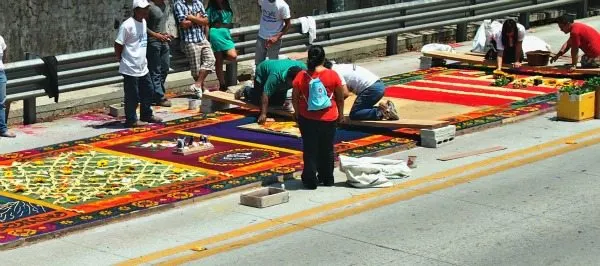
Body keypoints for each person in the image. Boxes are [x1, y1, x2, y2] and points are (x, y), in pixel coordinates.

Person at [291, 45, 344, 189]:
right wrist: (341, 114)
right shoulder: (332, 75)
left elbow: (294, 97)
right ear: (324, 58)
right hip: (329, 118)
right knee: (327, 148)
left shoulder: (301, 76)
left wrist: (296, 112)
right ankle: (327, 178)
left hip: (307, 118)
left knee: (310, 148)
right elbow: (340, 97)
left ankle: (310, 180)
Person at [114, 0, 162, 128]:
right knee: (132, 95)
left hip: (142, 66)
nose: (145, 11)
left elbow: (144, 33)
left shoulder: (143, 22)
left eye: (146, 8)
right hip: (130, 66)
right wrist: (120, 58)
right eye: (142, 9)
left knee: (148, 91)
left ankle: (146, 114)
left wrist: (158, 35)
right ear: (135, 10)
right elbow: (118, 43)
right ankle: (131, 119)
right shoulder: (127, 25)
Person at [236, 59, 306, 124]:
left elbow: (296, 95)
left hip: (277, 74)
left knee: (278, 103)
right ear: (288, 79)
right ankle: (246, 90)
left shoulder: (303, 69)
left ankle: (275, 95)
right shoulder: (275, 77)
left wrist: (297, 113)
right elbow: (265, 94)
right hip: (262, 73)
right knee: (259, 101)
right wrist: (263, 114)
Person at [327, 62, 399, 121]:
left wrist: (334, 109)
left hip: (372, 89)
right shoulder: (339, 66)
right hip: (377, 85)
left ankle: (383, 112)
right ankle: (387, 108)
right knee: (362, 109)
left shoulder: (335, 72)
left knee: (355, 114)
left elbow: (345, 94)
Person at [173, 0, 216, 98]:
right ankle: (202, 88)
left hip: (202, 39)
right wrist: (198, 18)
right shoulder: (179, 4)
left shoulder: (198, 3)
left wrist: (191, 17)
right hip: (189, 40)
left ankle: (197, 85)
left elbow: (206, 21)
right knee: (196, 68)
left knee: (211, 60)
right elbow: (183, 24)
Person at [206, 0, 238, 91]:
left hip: (226, 33)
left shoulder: (227, 4)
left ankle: (223, 55)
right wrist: (207, 37)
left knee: (233, 56)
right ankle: (222, 84)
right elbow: (206, 23)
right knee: (219, 62)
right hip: (215, 33)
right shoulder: (211, 8)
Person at [146, 0, 173, 107]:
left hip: (163, 40)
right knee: (155, 70)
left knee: (165, 68)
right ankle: (159, 97)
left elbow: (162, 23)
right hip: (152, 41)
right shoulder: (148, 6)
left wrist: (166, 34)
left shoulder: (164, 5)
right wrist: (156, 35)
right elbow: (142, 26)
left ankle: (155, 93)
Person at [255, 0, 291, 66]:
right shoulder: (262, 0)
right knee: (258, 63)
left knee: (273, 64)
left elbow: (288, 24)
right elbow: (261, 7)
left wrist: (276, 37)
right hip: (261, 36)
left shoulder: (283, 6)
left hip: (274, 40)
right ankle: (259, 76)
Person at [0, 34, 15, 138]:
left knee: (1, 103)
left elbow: (5, 51)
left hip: (0, 74)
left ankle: (2, 129)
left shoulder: (0, 38)